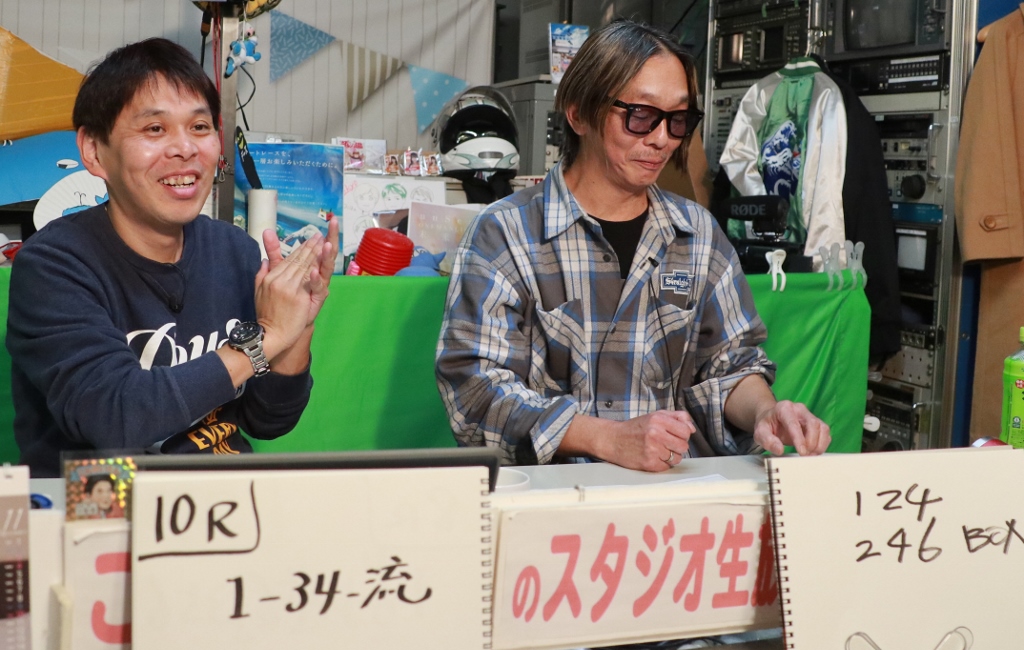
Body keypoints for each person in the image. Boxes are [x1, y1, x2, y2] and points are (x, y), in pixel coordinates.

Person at [435, 20, 830, 472]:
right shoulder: (505, 233)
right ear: (578, 113)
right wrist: (606, 438)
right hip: (557, 498)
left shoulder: (697, 234)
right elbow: (475, 392)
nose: (662, 139)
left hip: (674, 493)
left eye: (677, 120)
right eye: (640, 115)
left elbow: (730, 364)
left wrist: (764, 411)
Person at [7, 38, 339, 478]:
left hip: (221, 499)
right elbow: (115, 418)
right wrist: (267, 337)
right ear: (94, 151)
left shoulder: (235, 252)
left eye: (200, 127)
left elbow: (268, 421)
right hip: (100, 502)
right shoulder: (52, 265)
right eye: (154, 129)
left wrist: (298, 325)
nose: (185, 148)